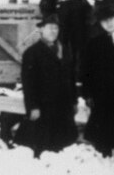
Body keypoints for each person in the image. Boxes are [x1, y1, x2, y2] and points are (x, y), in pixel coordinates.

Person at [18, 15, 78, 159]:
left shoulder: (65, 50)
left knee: (63, 146)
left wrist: (74, 101)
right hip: (44, 109)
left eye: (56, 28)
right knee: (43, 146)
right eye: (50, 28)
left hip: (63, 107)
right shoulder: (32, 53)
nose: (53, 31)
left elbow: (71, 78)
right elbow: (28, 83)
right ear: (41, 30)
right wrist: (32, 107)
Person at [80, 6, 114, 158]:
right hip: (102, 98)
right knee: (103, 139)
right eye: (104, 21)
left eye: (111, 19)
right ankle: (105, 169)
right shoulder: (94, 44)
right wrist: (88, 94)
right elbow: (86, 72)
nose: (109, 23)